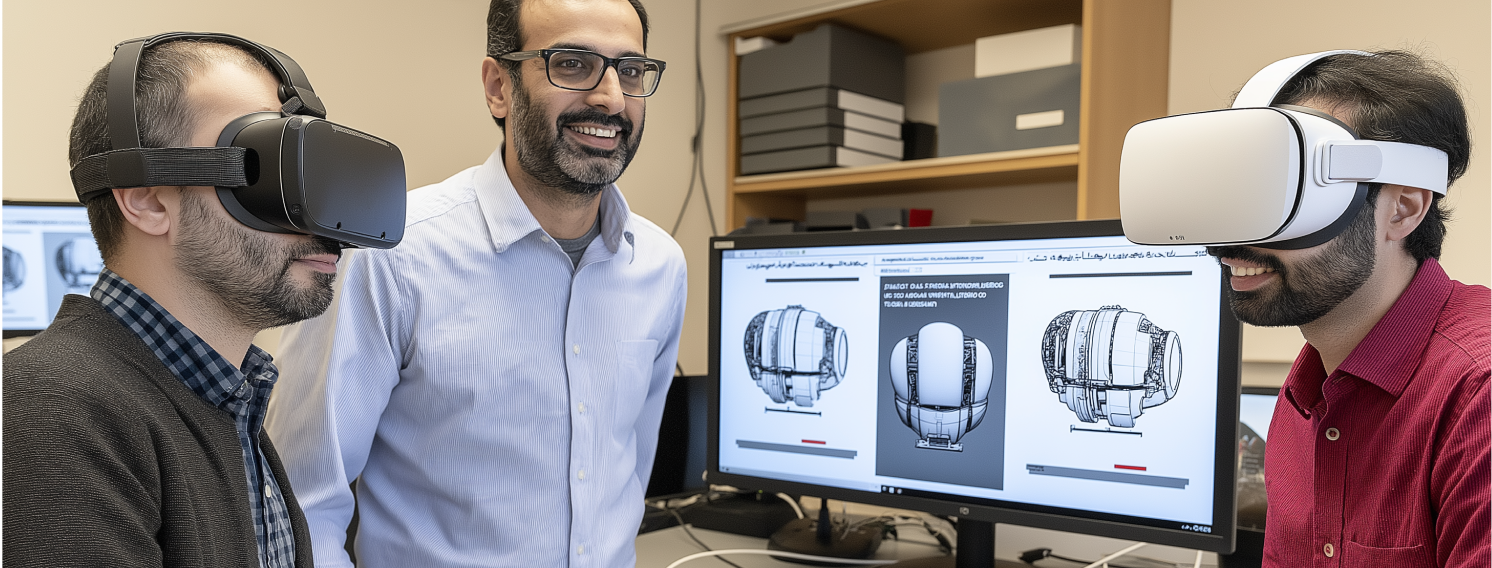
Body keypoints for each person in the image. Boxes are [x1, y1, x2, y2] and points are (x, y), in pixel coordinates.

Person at [264, 0, 686, 566]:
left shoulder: (660, 267)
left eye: (629, 70)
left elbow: (629, 477)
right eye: (572, 63)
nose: (610, 98)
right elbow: (301, 507)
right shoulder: (390, 254)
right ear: (498, 88)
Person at [1, 37, 343, 567]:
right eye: (265, 169)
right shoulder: (54, 409)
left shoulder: (229, 400)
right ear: (147, 198)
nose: (313, 218)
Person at [1204, 51, 1489, 567]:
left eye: (1285, 198)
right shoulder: (1307, 388)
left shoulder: (1478, 394)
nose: (1228, 247)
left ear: (1402, 207)